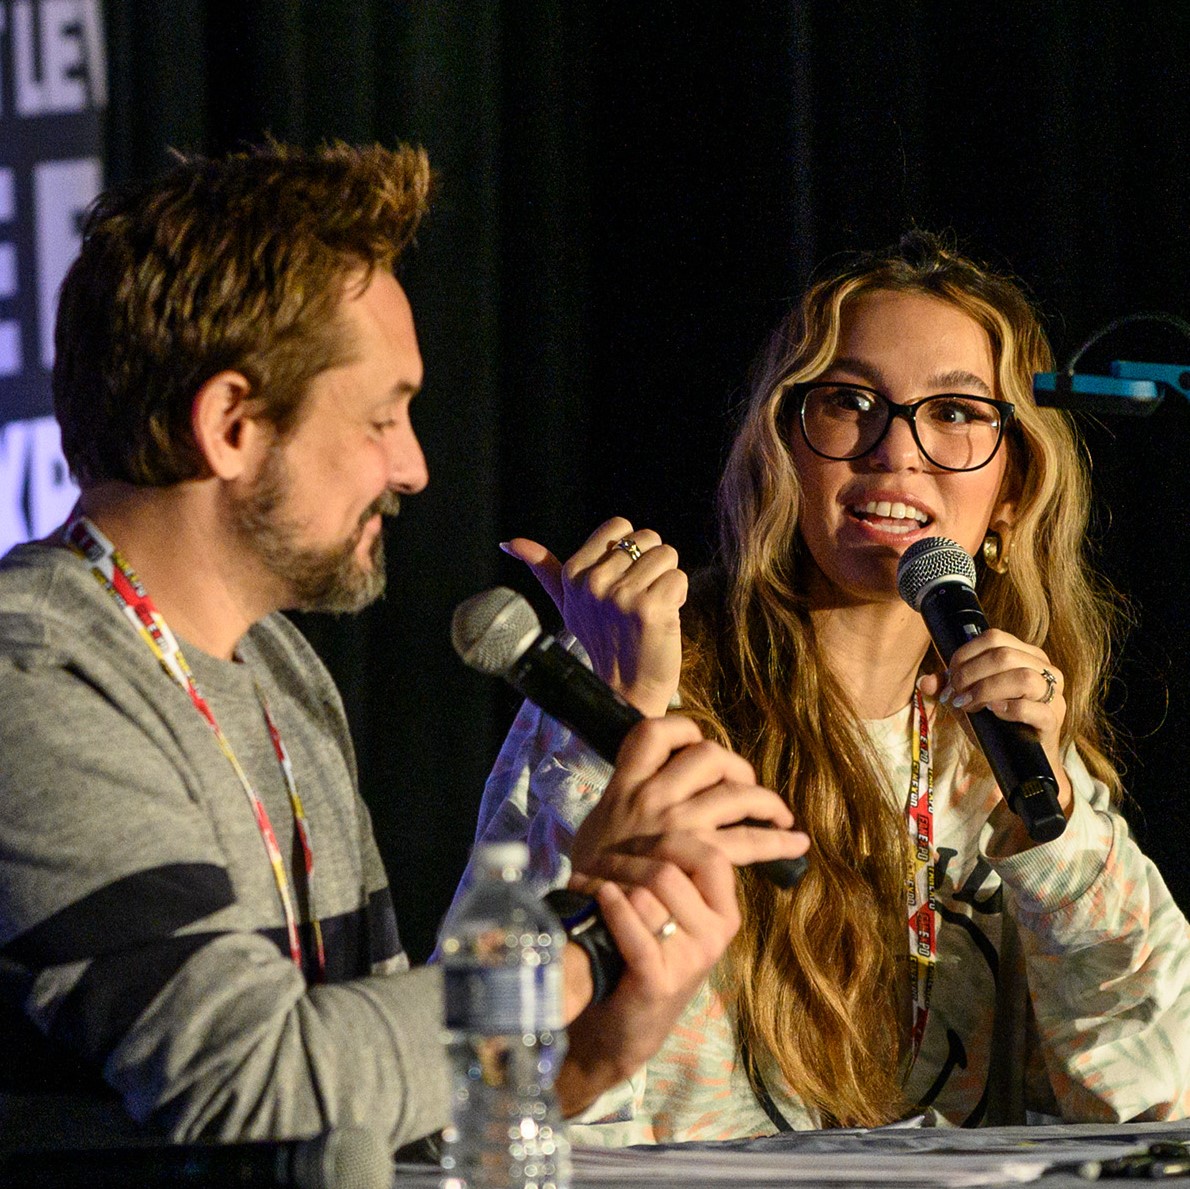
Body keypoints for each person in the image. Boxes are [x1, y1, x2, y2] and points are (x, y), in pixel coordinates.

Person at [0, 143, 809, 1152]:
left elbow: (379, 1106)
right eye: (384, 416)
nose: (416, 467)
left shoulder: (281, 675)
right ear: (232, 423)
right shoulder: (33, 677)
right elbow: (248, 1076)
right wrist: (572, 940)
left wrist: (600, 1038)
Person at [454, 231, 1190, 1142]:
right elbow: (505, 1091)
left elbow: (1151, 1106)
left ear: (1012, 489)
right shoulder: (636, 676)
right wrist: (626, 730)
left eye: (956, 411)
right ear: (782, 447)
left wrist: (1061, 830)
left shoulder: (1002, 739)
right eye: (850, 402)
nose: (897, 450)